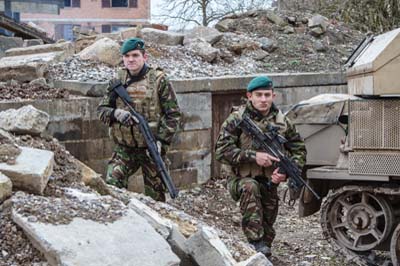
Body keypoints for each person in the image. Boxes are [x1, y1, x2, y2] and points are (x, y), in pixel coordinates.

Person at [215, 76, 306, 257]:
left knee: (268, 221)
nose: (263, 99)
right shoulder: (237, 119)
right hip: (240, 178)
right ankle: (255, 243)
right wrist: (253, 156)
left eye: (267, 95)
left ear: (274, 96)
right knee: (251, 188)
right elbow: (221, 151)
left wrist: (284, 173)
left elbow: (299, 149)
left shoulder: (282, 122)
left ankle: (262, 249)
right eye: (259, 95)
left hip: (269, 180)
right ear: (249, 96)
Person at [97, 37, 182, 202]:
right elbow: (101, 110)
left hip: (151, 148)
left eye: (135, 55)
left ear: (144, 57)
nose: (131, 59)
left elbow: (173, 114)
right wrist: (116, 114)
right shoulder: (117, 82)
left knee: (156, 197)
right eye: (127, 56)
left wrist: (161, 142)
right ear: (122, 58)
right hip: (125, 148)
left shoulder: (159, 80)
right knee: (112, 184)